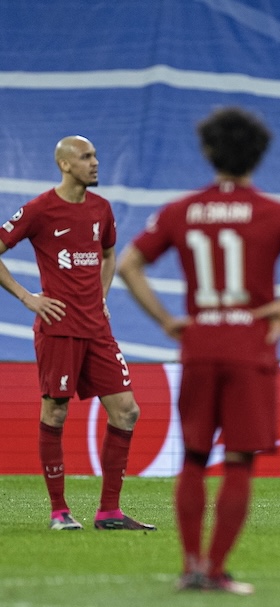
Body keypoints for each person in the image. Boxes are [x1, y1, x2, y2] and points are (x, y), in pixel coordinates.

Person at [117, 107, 280, 594]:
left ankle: (190, 566)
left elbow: (129, 264)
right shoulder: (276, 211)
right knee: (239, 460)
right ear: (258, 155)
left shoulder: (180, 210)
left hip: (199, 344)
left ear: (208, 151)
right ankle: (215, 571)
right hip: (249, 346)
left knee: (195, 457)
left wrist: (165, 320)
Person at [0, 136, 155, 532]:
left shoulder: (101, 209)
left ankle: (109, 513)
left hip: (97, 330)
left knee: (127, 410)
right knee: (56, 410)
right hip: (59, 329)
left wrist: (101, 297)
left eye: (95, 155)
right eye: (86, 157)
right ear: (65, 165)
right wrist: (25, 297)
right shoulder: (39, 209)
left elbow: (107, 254)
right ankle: (59, 511)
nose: (95, 162)